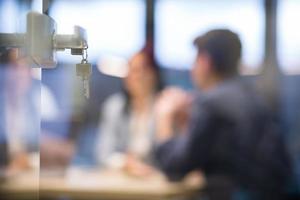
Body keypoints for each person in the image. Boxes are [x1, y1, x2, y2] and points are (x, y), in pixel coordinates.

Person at [154, 29, 292, 200]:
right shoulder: (256, 97)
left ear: (205, 62)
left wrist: (164, 116)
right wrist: (186, 122)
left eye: (195, 61)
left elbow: (174, 170)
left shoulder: (211, 103)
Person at [96, 43, 163, 176]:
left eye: (138, 70)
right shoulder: (115, 107)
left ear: (152, 74)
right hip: (123, 179)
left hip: (156, 179)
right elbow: (103, 153)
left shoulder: (165, 106)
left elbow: (169, 154)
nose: (131, 76)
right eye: (129, 70)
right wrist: (125, 163)